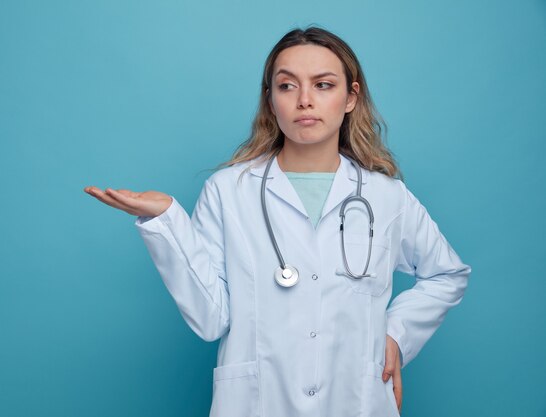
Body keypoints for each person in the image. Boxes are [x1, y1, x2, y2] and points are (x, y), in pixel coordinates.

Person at [84, 26, 471, 417]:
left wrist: (396, 335)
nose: (305, 100)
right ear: (270, 100)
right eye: (287, 87)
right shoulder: (228, 191)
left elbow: (447, 274)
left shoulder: (386, 196)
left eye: (323, 85)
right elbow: (210, 319)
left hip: (356, 402)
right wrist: (167, 221)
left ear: (351, 97)